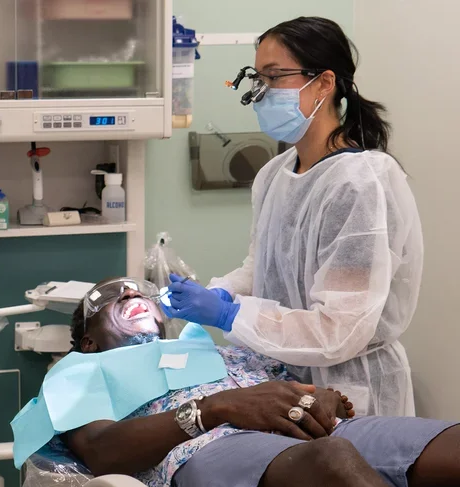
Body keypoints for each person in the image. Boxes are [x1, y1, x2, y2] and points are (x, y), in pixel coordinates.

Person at [47, 279, 459, 487]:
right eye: (110, 296)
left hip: (308, 428)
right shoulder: (80, 370)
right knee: (329, 461)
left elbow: (293, 387)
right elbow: (101, 450)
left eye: (137, 288)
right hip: (202, 452)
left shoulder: (214, 351)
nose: (131, 293)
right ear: (89, 342)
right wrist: (215, 409)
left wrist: (323, 396)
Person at [162, 16, 423, 417]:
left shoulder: (360, 182)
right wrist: (223, 293)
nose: (260, 92)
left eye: (274, 76)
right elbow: (264, 265)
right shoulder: (274, 174)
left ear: (323, 83)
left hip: (351, 393)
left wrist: (230, 316)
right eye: (257, 78)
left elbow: (340, 329)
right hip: (286, 381)